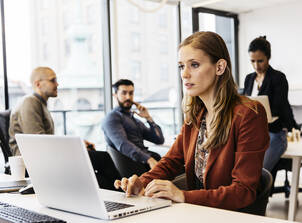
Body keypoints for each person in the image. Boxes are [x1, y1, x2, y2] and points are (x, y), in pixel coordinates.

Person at [114, 31, 269, 211]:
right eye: (181, 66)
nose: (185, 74)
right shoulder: (195, 115)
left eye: (194, 65)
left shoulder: (249, 114)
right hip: (198, 215)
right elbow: (171, 162)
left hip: (229, 220)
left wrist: (182, 195)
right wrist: (141, 182)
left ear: (219, 67)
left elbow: (243, 192)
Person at [9, 66, 95, 156]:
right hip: (30, 163)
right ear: (38, 84)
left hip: (40, 158)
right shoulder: (30, 102)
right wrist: (75, 146)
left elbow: (45, 141)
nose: (57, 84)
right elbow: (38, 143)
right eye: (53, 80)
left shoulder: (40, 103)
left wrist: (78, 144)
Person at [243, 36, 297, 172]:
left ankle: (259, 192)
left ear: (268, 57)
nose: (256, 66)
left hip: (274, 133)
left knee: (258, 172)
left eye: (260, 61)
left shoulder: (278, 78)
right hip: (253, 133)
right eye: (252, 61)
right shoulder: (249, 79)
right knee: (240, 168)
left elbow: (278, 108)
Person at [102, 79, 165, 177]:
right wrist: (149, 159)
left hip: (146, 162)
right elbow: (123, 144)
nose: (128, 97)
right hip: (134, 166)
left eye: (131, 93)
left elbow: (159, 140)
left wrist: (149, 118)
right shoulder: (112, 117)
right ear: (115, 95)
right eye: (124, 93)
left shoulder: (134, 119)